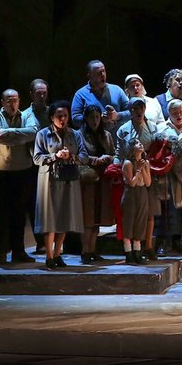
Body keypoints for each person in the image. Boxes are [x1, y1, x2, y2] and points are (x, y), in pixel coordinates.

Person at [0, 89, 35, 266]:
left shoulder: (27, 115)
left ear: (19, 101)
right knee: (1, 213)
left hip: (22, 170)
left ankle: (19, 251)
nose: (12, 104)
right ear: (2, 102)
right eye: (9, 101)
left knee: (19, 213)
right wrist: (20, 136)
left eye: (15, 100)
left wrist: (10, 131)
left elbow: (33, 132)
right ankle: (1, 252)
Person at [33, 101, 83, 268]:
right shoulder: (43, 134)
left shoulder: (75, 134)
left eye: (65, 116)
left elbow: (84, 155)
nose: (63, 119)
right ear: (51, 117)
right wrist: (55, 156)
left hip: (69, 179)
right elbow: (37, 158)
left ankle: (57, 254)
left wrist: (71, 156)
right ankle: (49, 256)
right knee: (50, 219)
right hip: (50, 180)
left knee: (64, 217)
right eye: (59, 116)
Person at [76, 104, 117, 263]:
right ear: (86, 118)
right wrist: (95, 160)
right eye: (91, 117)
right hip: (87, 180)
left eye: (97, 117)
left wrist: (108, 158)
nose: (95, 120)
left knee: (98, 218)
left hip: (103, 180)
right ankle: (85, 251)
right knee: (87, 218)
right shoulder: (79, 135)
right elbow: (79, 156)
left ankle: (93, 250)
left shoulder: (106, 135)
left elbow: (113, 153)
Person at [119, 141, 154, 264]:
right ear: (132, 148)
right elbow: (132, 183)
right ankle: (128, 254)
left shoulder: (145, 163)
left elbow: (148, 183)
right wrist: (138, 169)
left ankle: (137, 253)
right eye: (137, 143)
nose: (141, 145)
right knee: (129, 223)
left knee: (140, 222)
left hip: (142, 192)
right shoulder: (128, 163)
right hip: (131, 194)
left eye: (141, 143)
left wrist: (143, 168)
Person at [71, 59, 128, 130]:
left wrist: (117, 116)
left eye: (103, 71)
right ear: (90, 75)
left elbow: (131, 112)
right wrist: (97, 118)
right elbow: (75, 119)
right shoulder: (80, 94)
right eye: (98, 73)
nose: (102, 75)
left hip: (117, 136)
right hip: (92, 136)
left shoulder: (117, 90)